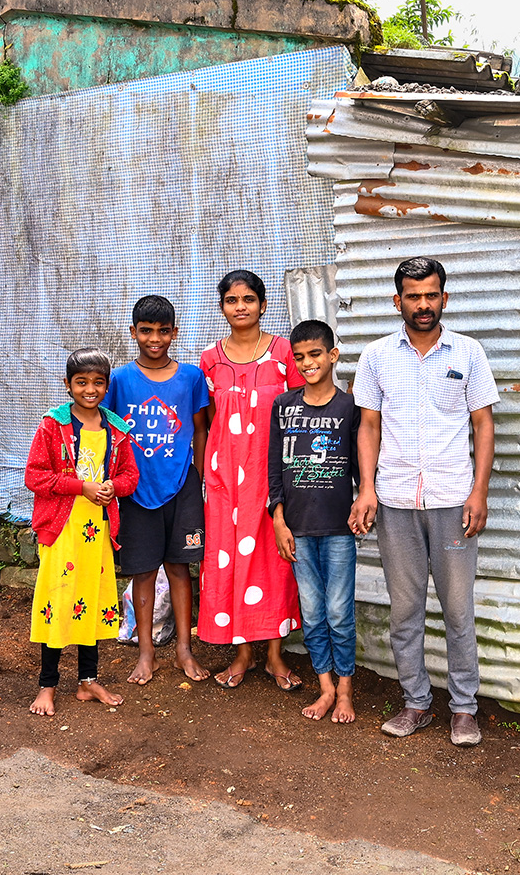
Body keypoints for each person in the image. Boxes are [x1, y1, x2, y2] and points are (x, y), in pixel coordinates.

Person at [349, 257, 498, 747]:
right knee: (405, 610)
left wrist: (479, 492)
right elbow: (368, 425)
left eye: (431, 295)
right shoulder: (375, 356)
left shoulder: (469, 353)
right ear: (398, 302)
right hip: (394, 501)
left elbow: (483, 424)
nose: (423, 305)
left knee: (458, 610)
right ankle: (416, 703)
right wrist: (366, 488)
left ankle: (463, 709)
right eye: (413, 296)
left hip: (454, 500)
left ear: (444, 299)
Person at [199, 270, 306, 690]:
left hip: (274, 475)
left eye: (248, 299)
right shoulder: (209, 359)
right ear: (222, 306)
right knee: (229, 563)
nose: (240, 307)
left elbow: (302, 411)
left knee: (276, 561)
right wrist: (207, 472)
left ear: (263, 305)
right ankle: (242, 653)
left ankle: (276, 656)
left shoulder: (284, 354)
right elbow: (207, 421)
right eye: (231, 300)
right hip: (225, 480)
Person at [103, 295, 210, 686]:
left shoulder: (191, 378)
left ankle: (184, 648)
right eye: (146, 331)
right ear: (133, 333)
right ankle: (146, 651)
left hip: (181, 486)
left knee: (180, 568)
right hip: (135, 488)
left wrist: (198, 478)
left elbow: (200, 428)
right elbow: (109, 431)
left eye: (163, 331)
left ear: (174, 333)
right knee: (144, 572)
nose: (155, 339)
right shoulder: (118, 381)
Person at [25, 347, 139, 716]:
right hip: (62, 531)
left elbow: (129, 477)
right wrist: (81, 487)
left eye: (98, 382)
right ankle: (47, 685)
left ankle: (88, 681)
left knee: (89, 602)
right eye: (81, 382)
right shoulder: (52, 426)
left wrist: (112, 488)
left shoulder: (116, 429)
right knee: (59, 601)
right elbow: (35, 476)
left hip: (98, 533)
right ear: (68, 385)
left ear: (107, 385)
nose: (90, 389)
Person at [268, 319, 361, 723]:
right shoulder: (283, 406)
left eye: (316, 355)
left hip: (339, 528)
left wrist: (366, 502)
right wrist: (278, 518)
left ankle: (345, 691)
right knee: (311, 611)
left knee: (339, 611)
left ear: (332, 355)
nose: (308, 363)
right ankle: (324, 687)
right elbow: (275, 467)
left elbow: (362, 466)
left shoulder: (350, 408)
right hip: (297, 530)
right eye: (300, 357)